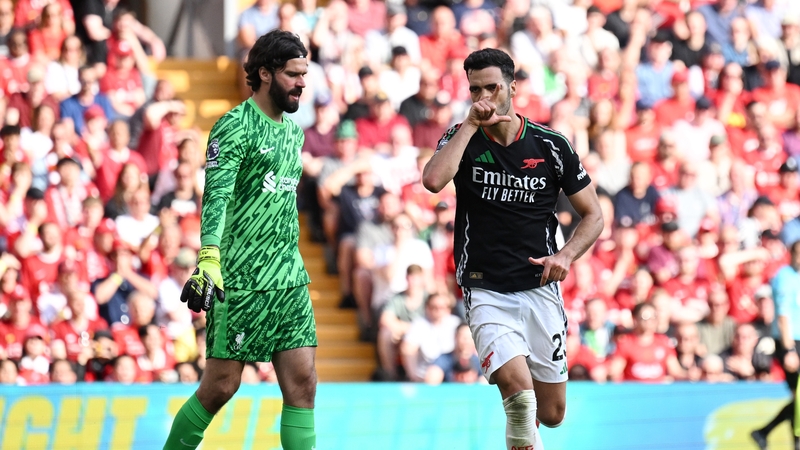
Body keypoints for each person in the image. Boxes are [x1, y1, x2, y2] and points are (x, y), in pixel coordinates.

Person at [422, 48, 603, 450]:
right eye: (475, 90)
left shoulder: (552, 145)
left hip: (539, 288)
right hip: (486, 289)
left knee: (551, 414)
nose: (484, 98)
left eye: (492, 87)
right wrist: (469, 125)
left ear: (512, 87)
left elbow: (594, 215)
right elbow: (433, 181)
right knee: (519, 397)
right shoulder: (461, 137)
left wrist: (565, 255)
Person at [162, 30, 317, 450]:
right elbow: (216, 197)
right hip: (242, 279)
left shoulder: (294, 133)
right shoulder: (233, 126)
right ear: (264, 73)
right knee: (221, 387)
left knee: (303, 384)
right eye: (293, 74)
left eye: (305, 73)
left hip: (289, 278)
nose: (302, 82)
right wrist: (209, 257)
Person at [752, 240, 800, 450]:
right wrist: (789, 349)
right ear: (791, 253)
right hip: (789, 341)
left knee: (798, 399)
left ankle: (765, 432)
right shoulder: (785, 277)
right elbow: (783, 316)